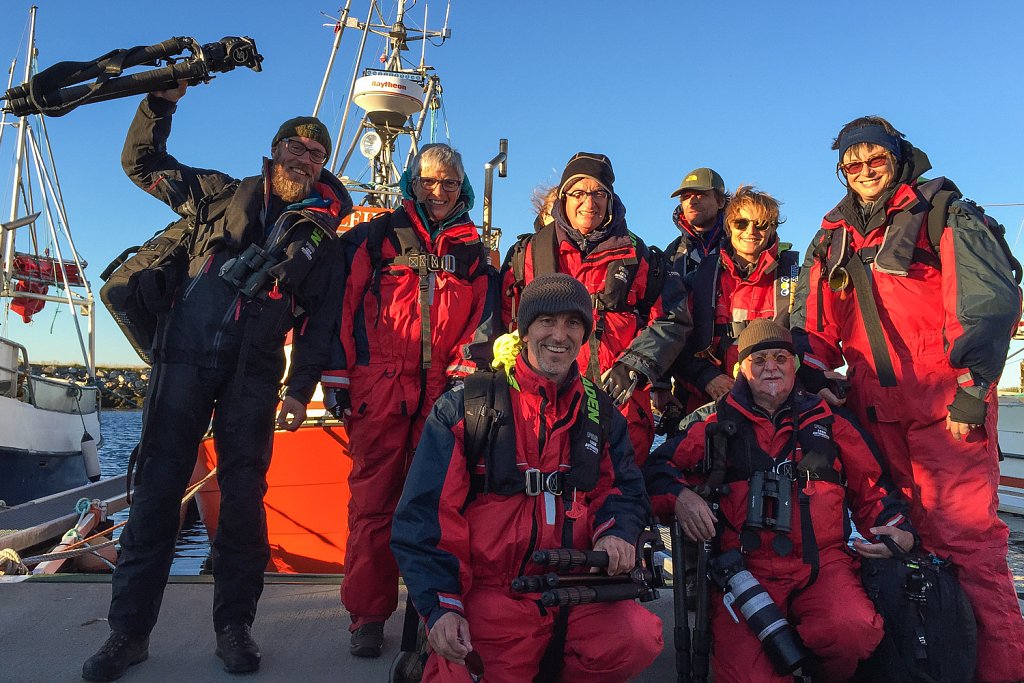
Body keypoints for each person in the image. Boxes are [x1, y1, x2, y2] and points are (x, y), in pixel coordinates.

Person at [83, 83, 352, 681]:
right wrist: (161, 102)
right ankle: (127, 635)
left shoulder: (321, 242)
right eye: (294, 145)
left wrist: (297, 389)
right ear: (274, 149)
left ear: (323, 167)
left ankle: (235, 628)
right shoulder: (216, 194)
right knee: (154, 500)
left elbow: (319, 323)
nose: (303, 158)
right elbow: (141, 164)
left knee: (243, 509)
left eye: (316, 153)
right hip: (182, 364)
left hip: (253, 380)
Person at [791, 115, 1024, 682]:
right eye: (852, 163)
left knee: (967, 548)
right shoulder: (831, 239)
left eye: (876, 159)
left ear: (897, 157)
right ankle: (926, 663)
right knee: (895, 541)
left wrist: (974, 390)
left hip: (946, 411)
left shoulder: (942, 213)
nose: (865, 171)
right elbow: (808, 327)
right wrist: (816, 376)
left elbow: (989, 303)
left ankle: (1000, 670)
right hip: (873, 418)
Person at [392, 273, 663, 682]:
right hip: (491, 596)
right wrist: (442, 606)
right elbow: (424, 516)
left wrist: (617, 532)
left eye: (573, 323)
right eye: (547, 321)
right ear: (525, 329)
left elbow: (624, 489)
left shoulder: (602, 413)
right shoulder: (468, 406)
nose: (560, 334)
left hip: (578, 590)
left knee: (638, 636)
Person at [645, 319, 916, 682]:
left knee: (853, 631)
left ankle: (818, 668)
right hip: (744, 573)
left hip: (822, 567)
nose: (770, 366)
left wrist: (898, 531)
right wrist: (680, 497)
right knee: (746, 677)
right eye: (758, 359)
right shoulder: (712, 423)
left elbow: (873, 488)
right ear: (741, 369)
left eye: (780, 357)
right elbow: (655, 469)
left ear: (795, 366)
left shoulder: (832, 422)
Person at [327, 143, 496, 658]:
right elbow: (342, 305)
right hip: (378, 393)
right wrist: (337, 380)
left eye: (448, 182)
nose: (438, 191)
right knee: (372, 508)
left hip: (444, 399)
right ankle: (368, 616)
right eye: (428, 182)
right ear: (411, 183)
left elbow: (486, 322)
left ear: (462, 186)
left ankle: (435, 613)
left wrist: (463, 382)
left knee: (443, 508)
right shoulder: (374, 237)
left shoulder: (474, 254)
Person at [501, 152, 692, 465]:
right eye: (578, 192)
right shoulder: (527, 254)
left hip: (620, 402)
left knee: (622, 499)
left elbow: (673, 317)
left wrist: (635, 365)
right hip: (543, 403)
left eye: (598, 192)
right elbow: (506, 319)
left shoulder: (638, 255)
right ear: (563, 197)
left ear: (611, 199)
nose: (589, 202)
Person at [658, 186, 800, 421]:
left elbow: (812, 338)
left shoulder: (794, 278)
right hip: (710, 407)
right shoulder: (701, 280)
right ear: (729, 226)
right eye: (741, 223)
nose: (751, 231)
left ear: (772, 228)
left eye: (761, 224)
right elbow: (674, 338)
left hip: (780, 408)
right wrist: (707, 377)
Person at [651, 167, 730, 422]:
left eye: (700, 194)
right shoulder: (671, 256)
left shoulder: (744, 241)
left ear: (720, 200)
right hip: (690, 383)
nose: (692, 200)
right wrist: (661, 385)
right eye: (686, 196)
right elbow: (660, 322)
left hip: (743, 377)